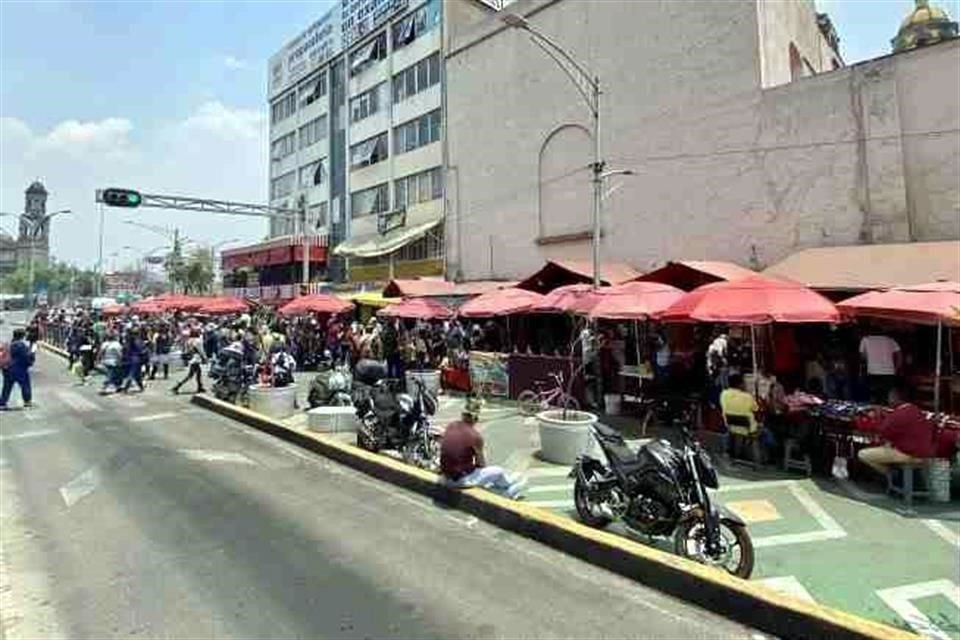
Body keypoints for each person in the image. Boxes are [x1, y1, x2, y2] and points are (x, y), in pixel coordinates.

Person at [440, 402, 525, 499]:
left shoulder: (451, 425)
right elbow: (481, 464)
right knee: (498, 471)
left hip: (446, 477)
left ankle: (502, 486)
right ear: (475, 419)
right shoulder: (475, 436)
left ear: (462, 416)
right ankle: (507, 489)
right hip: (460, 480)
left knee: (484, 473)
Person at [857, 390, 936, 477]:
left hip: (910, 455)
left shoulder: (899, 414)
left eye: (890, 398)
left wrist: (873, 418)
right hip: (925, 453)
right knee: (886, 446)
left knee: (863, 454)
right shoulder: (916, 410)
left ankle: (894, 476)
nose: (889, 401)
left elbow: (882, 431)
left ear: (896, 399)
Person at [720, 373, 763, 463]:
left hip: (730, 426)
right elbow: (757, 410)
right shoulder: (747, 397)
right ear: (740, 384)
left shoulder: (723, 394)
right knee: (765, 431)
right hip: (749, 429)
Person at [858, 332, 901, 404]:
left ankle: (877, 413)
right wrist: (896, 368)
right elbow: (899, 355)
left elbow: (862, 357)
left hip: (873, 371)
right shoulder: (890, 340)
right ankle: (884, 412)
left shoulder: (865, 339)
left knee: (875, 397)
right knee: (885, 396)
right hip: (889, 372)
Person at [0, 329, 34, 410]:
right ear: (22, 336)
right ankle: (27, 402)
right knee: (25, 385)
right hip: (20, 370)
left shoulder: (8, 344)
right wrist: (31, 359)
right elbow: (27, 358)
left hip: (7, 369)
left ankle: (2, 403)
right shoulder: (22, 346)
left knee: (6, 387)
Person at [172, 330, 206, 394]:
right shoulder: (197, 341)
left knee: (198, 373)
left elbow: (186, 350)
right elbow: (201, 350)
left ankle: (200, 387)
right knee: (190, 375)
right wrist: (204, 358)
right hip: (196, 358)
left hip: (191, 358)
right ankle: (177, 386)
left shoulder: (189, 340)